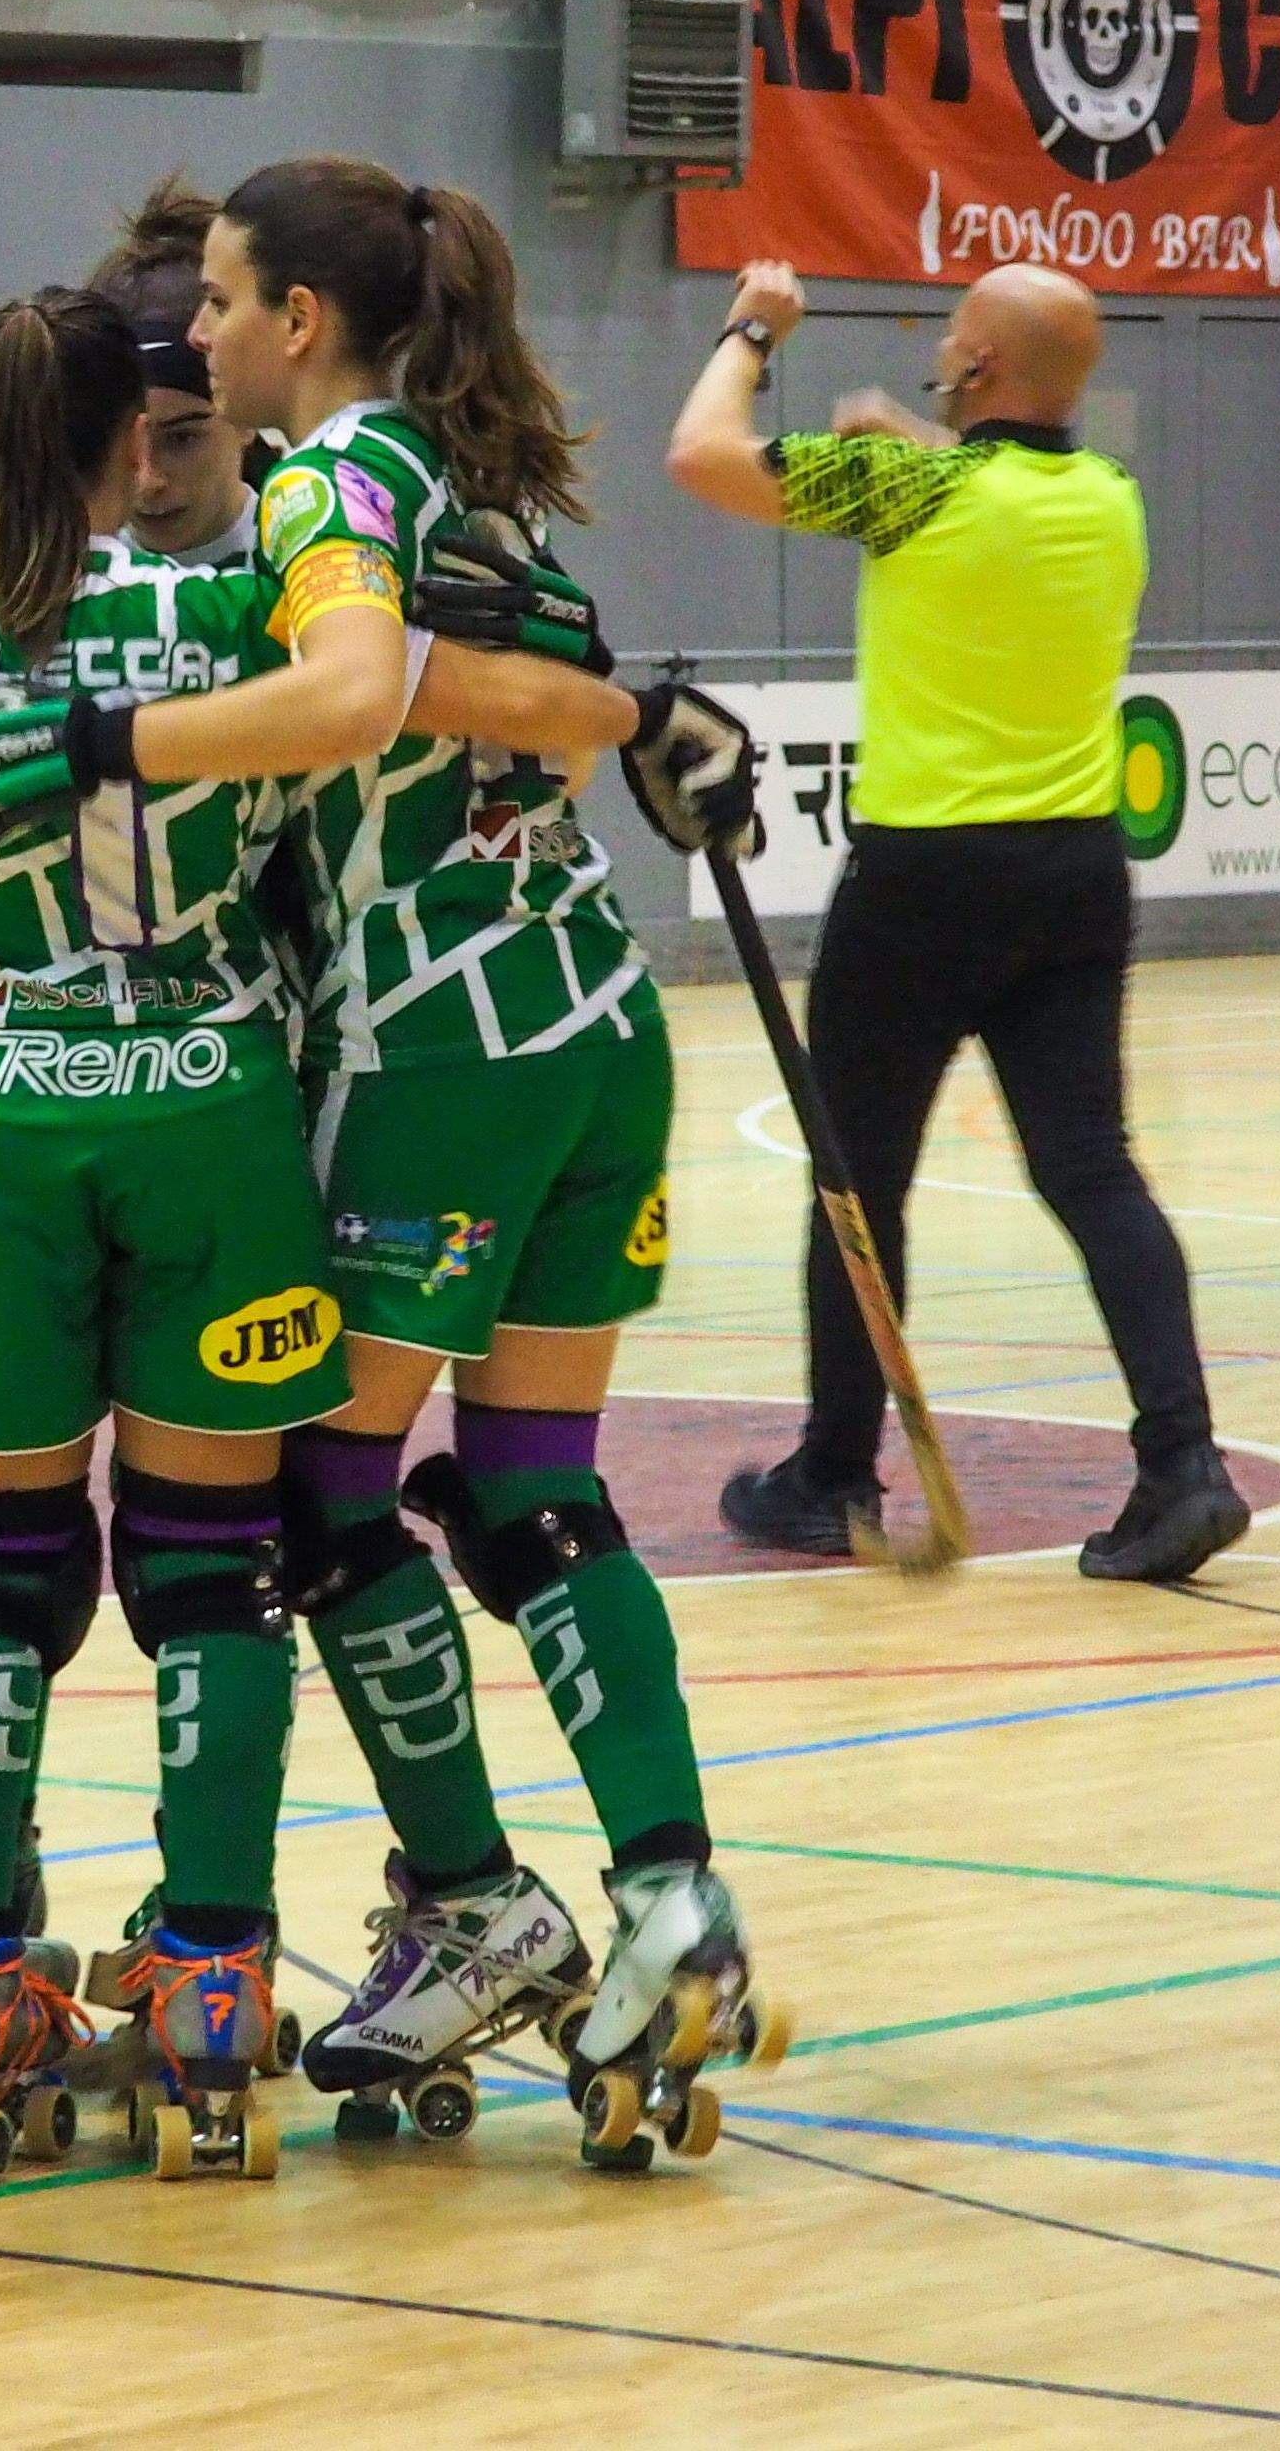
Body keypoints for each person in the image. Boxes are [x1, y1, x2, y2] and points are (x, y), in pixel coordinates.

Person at [0, 284, 641, 2180]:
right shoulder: (228, 605)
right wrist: (585, 666)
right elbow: (438, 683)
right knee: (208, 1568)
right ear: (129, 447)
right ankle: (212, 1976)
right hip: (211, 1115)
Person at [180, 156, 790, 2168]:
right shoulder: (487, 486)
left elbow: (357, 692)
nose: (193, 334)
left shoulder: (334, 478)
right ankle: (671, 1899)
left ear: (294, 322)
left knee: (315, 1495)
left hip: (432, 1045)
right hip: (593, 1026)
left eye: (215, 299)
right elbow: (516, 694)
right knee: (528, 1498)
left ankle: (466, 1897)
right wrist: (610, 698)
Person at [665, 258, 1249, 1585]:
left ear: (975, 368)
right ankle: (1181, 1462)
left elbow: (699, 452)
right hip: (1075, 879)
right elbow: (995, 479)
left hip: (922, 889)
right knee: (1090, 1171)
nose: (938, 345)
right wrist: (913, 427)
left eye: (952, 337)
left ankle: (829, 1472)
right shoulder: (1105, 502)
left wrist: (753, 329)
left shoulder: (911, 494)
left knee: (855, 1184)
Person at [86, 179, 260, 573]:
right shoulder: (58, 587)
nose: (148, 482)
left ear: (245, 420)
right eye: (122, 441)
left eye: (181, 439)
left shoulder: (318, 566)